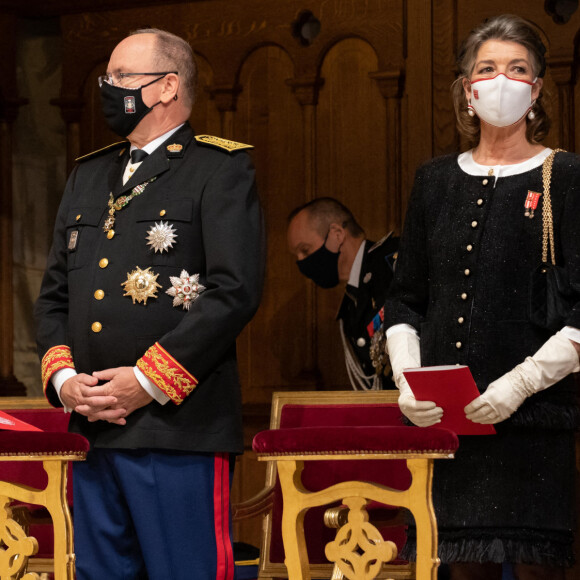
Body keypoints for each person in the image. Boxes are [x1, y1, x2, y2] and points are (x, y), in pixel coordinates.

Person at [34, 28, 265, 580]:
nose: (107, 89)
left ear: (166, 87)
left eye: (120, 78)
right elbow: (55, 297)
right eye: (106, 79)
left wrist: (147, 380)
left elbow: (234, 291)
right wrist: (66, 382)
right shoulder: (88, 175)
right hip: (91, 428)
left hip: (176, 429)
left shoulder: (217, 167)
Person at [384, 14, 580, 580]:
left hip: (535, 427)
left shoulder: (564, 176)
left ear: (537, 90)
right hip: (450, 430)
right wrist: (406, 381)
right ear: (467, 90)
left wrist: (521, 384)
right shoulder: (435, 180)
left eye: (518, 70)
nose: (501, 80)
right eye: (487, 68)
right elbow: (405, 300)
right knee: (459, 570)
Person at [287, 197, 398, 390]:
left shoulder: (392, 263)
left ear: (337, 234)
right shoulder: (349, 304)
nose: (301, 262)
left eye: (305, 250)